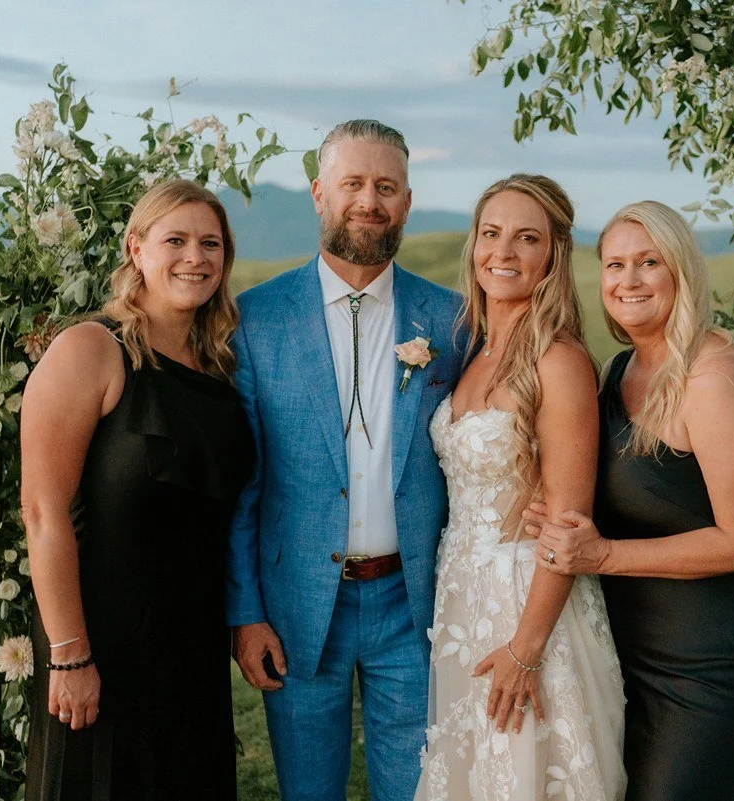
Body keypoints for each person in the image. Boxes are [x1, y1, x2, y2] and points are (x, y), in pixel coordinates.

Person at [225, 119, 465, 801]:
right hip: (297, 605)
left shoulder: (452, 320)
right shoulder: (256, 320)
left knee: (418, 789)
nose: (370, 200)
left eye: (386, 186)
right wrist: (246, 614)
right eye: (353, 183)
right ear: (319, 194)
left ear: (407, 203)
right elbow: (246, 488)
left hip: (412, 606)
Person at [526, 200, 734, 801]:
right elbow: (612, 489)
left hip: (715, 659)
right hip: (632, 650)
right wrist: (551, 513)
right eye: (616, 265)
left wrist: (600, 556)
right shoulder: (619, 371)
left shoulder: (715, 375)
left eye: (649, 262)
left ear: (681, 271)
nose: (629, 280)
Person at [20, 179, 253, 800]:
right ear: (136, 248)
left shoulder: (222, 368)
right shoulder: (90, 351)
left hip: (191, 645)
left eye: (211, 243)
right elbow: (43, 514)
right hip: (101, 642)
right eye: (174, 240)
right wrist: (70, 655)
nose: (195, 258)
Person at [415, 174, 626, 800]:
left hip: (530, 606)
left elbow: (567, 523)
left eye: (525, 238)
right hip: (462, 600)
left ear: (553, 256)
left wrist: (526, 649)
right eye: (491, 233)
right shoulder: (472, 351)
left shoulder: (557, 362)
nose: (502, 253)